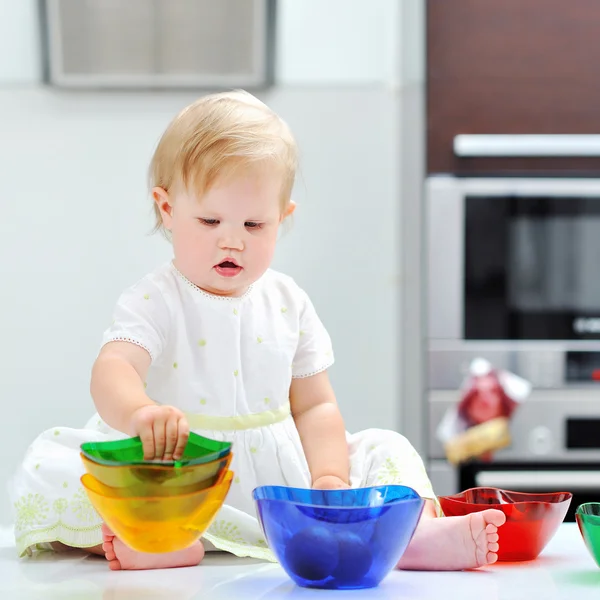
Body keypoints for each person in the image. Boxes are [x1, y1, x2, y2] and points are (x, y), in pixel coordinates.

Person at [9, 90, 505, 571]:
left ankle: (407, 537)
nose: (231, 240)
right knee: (53, 468)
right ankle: (157, 540)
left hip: (279, 481)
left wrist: (329, 476)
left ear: (283, 219)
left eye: (254, 225)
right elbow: (114, 367)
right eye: (209, 220)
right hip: (178, 474)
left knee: (386, 448)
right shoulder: (155, 299)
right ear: (167, 209)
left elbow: (314, 405)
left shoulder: (289, 302)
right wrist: (140, 413)